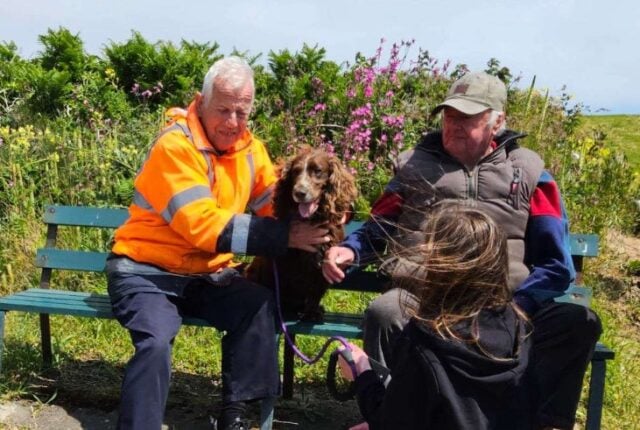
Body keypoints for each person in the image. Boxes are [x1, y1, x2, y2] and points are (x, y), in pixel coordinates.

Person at [323, 71, 602, 429]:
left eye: (467, 117)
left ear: (497, 121)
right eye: (449, 115)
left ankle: (541, 422)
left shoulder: (531, 172)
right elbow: (380, 224)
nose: (453, 124)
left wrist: (520, 308)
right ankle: (389, 416)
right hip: (424, 296)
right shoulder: (413, 165)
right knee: (385, 311)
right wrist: (351, 250)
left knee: (578, 323)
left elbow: (556, 263)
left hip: (506, 302)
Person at [105, 56, 329, 430]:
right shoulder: (174, 146)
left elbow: (273, 206)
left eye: (242, 112)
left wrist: (323, 218)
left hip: (205, 274)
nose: (232, 123)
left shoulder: (251, 149)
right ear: (201, 101)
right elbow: (201, 225)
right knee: (156, 341)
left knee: (257, 305)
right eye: (223, 110)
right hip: (145, 272)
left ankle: (235, 417)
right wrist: (285, 236)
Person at [338, 202, 532, 429]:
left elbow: (392, 422)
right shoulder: (519, 327)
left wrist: (362, 372)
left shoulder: (425, 340)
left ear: (440, 267)